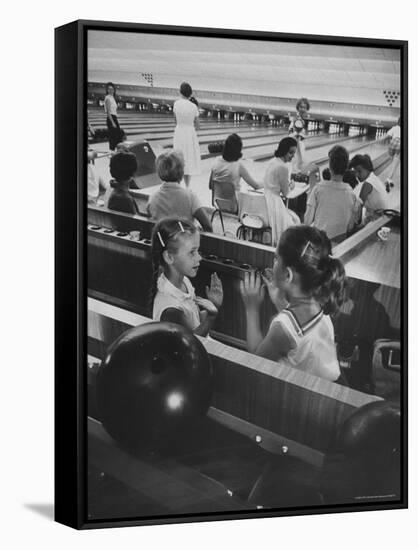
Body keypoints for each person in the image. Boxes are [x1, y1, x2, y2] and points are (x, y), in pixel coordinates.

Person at [239, 225, 346, 382]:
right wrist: (280, 302)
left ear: (287, 275)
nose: (273, 263)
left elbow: (257, 361)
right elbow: (300, 334)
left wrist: (252, 307)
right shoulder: (320, 302)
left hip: (299, 398)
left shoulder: (282, 328)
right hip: (324, 388)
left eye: (276, 259)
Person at [150, 217, 223, 336]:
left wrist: (214, 305)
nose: (199, 257)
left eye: (198, 251)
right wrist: (211, 317)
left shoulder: (184, 281)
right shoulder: (170, 309)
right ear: (169, 257)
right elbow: (191, 342)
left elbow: (196, 319)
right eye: (192, 252)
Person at [304, 146, 361, 242]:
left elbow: (307, 221)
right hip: (339, 245)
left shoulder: (318, 189)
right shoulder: (353, 195)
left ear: (330, 166)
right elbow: (350, 228)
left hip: (319, 243)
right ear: (346, 167)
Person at [147, 150, 212, 232]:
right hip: (185, 242)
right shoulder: (190, 197)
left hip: (163, 242)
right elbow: (208, 226)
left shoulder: (153, 198)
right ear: (181, 172)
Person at [263, 137, 300, 246]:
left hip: (265, 200)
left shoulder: (272, 161)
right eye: (290, 153)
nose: (293, 156)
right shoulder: (283, 167)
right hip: (275, 203)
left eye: (294, 153)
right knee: (295, 222)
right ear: (284, 150)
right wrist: (292, 186)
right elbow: (286, 193)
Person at [173, 82, 201, 187]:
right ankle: (187, 186)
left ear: (180, 92)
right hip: (190, 133)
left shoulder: (176, 104)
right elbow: (198, 126)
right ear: (190, 94)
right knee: (188, 159)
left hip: (179, 132)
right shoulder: (194, 106)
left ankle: (177, 184)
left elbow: (175, 121)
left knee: (178, 158)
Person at [349, 154, 389, 223]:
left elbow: (358, 208)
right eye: (355, 172)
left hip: (378, 220)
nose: (356, 175)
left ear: (367, 169)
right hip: (383, 216)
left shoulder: (368, 184)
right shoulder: (374, 178)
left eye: (359, 171)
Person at [288, 97, 310, 171]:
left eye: (304, 107)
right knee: (296, 168)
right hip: (296, 147)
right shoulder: (298, 121)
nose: (303, 109)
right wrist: (300, 157)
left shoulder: (298, 119)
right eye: (301, 107)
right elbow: (296, 138)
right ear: (297, 108)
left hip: (293, 146)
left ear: (307, 109)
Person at [104, 82, 122, 151]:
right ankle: (111, 152)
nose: (111, 90)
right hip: (111, 118)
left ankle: (117, 151)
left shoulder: (112, 97)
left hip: (114, 117)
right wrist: (113, 122)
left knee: (118, 136)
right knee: (113, 136)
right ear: (107, 90)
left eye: (112, 89)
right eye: (109, 89)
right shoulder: (107, 98)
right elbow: (108, 112)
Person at [384, 117, 401, 189]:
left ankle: (389, 179)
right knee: (395, 163)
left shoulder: (395, 128)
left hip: (392, 144)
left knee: (392, 162)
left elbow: (387, 136)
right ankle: (388, 179)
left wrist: (378, 140)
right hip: (399, 144)